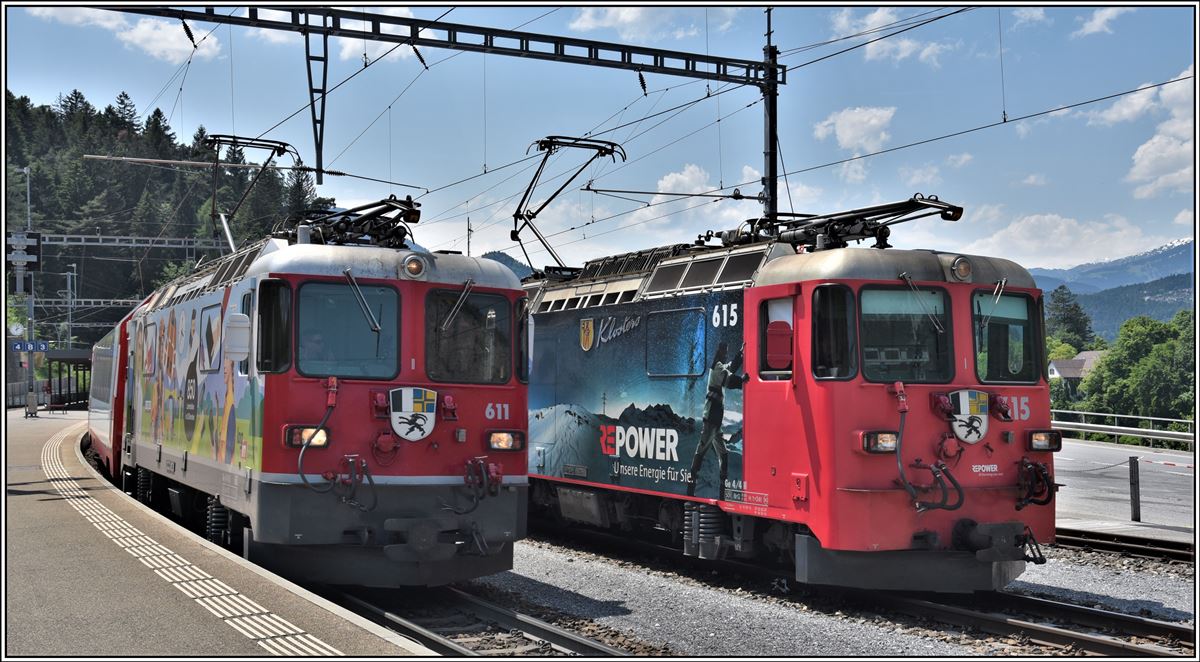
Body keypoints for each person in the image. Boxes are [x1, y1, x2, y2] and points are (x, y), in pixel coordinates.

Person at [686, 341, 744, 501]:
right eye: (725, 350)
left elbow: (731, 367)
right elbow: (730, 380)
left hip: (715, 420)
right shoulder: (717, 367)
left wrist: (740, 354)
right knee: (702, 450)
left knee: (723, 454)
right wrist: (743, 381)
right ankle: (691, 485)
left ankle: (722, 490)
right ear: (720, 351)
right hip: (711, 417)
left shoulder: (720, 367)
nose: (726, 352)